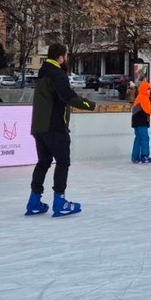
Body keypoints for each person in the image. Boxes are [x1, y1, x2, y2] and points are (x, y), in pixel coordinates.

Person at [28, 43, 97, 217]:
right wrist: (91, 105)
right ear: (60, 57)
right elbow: (69, 96)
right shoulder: (57, 74)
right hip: (54, 127)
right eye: (65, 56)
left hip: (39, 128)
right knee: (62, 162)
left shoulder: (43, 73)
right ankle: (60, 201)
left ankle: (34, 201)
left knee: (43, 162)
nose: (65, 59)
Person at [130, 79, 151, 164]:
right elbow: (148, 109)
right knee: (145, 138)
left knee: (138, 139)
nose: (150, 91)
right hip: (141, 121)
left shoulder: (139, 97)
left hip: (136, 121)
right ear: (145, 89)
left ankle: (135, 157)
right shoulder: (144, 98)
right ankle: (145, 156)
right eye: (149, 89)